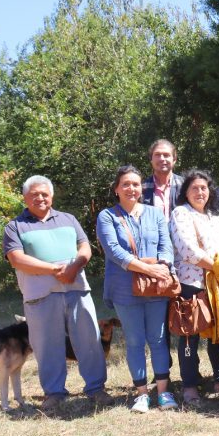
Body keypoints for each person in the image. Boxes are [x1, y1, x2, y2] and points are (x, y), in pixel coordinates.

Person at [3, 175, 111, 410]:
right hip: (40, 296)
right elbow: (16, 259)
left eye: (44, 194)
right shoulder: (15, 226)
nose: (40, 198)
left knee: (89, 340)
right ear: (25, 197)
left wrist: (74, 267)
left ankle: (96, 389)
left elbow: (84, 247)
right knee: (46, 346)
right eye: (34, 194)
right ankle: (54, 393)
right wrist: (55, 269)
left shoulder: (68, 219)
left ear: (51, 196)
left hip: (76, 289)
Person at [96, 166, 179, 412]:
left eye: (135, 184)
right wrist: (149, 269)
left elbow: (166, 245)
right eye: (126, 184)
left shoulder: (154, 214)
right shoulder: (107, 216)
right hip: (124, 289)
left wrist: (164, 266)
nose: (131, 188)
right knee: (134, 341)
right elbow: (114, 251)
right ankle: (141, 393)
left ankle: (163, 392)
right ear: (116, 189)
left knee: (159, 339)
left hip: (156, 288)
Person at [170, 170, 219, 405]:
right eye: (194, 188)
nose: (200, 192)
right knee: (190, 335)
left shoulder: (216, 218)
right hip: (192, 283)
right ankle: (189, 385)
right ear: (185, 193)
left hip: (218, 284)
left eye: (204, 188)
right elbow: (187, 250)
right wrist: (218, 268)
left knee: (218, 334)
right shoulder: (181, 213)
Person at [142, 139, 184, 222]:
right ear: (151, 159)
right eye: (157, 155)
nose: (162, 159)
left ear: (174, 160)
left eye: (166, 155)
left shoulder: (185, 186)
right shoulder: (141, 188)